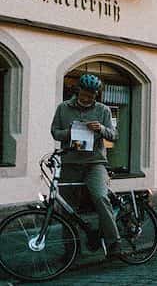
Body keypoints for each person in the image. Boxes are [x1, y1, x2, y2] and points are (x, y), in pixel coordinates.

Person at [50, 73, 121, 258]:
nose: (86, 98)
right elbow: (55, 132)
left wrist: (101, 129)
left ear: (96, 95)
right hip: (71, 162)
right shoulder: (63, 108)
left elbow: (114, 135)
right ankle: (71, 251)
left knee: (100, 197)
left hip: (94, 163)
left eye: (91, 96)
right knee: (67, 208)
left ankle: (114, 243)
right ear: (78, 91)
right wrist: (71, 132)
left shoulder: (103, 110)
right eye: (84, 94)